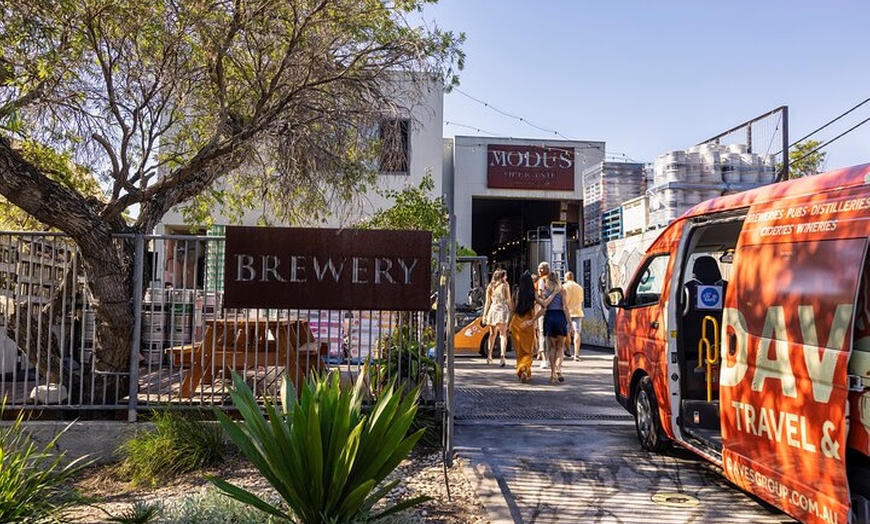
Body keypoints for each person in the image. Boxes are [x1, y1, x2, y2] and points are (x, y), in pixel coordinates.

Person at [508, 271, 548, 383]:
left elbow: (512, 310)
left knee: (519, 350)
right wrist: (533, 320)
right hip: (528, 323)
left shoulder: (516, 293)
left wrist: (507, 325)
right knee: (528, 350)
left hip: (516, 323)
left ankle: (521, 370)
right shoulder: (533, 293)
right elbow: (544, 306)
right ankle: (525, 369)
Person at [539, 270, 572, 384]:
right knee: (560, 347)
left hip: (549, 317)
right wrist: (570, 322)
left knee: (552, 348)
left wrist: (551, 294)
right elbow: (565, 307)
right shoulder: (562, 291)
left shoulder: (545, 291)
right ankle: (558, 368)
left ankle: (552, 374)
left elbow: (544, 305)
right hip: (560, 317)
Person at [482, 269, 512, 366]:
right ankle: (502, 356)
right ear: (502, 276)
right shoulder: (505, 285)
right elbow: (508, 299)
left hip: (493, 310)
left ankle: (489, 356)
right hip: (502, 310)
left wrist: (484, 315)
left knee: (492, 334)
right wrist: (512, 309)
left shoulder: (490, 286)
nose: (506, 277)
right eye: (505, 276)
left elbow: (487, 302)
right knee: (503, 335)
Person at [562, 271, 584, 361]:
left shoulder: (564, 287)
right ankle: (577, 353)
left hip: (567, 312)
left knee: (566, 332)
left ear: (565, 278)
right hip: (578, 312)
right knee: (577, 332)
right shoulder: (579, 287)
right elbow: (581, 299)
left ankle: (568, 350)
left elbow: (563, 301)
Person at [535, 262, 550, 369]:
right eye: (539, 268)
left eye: (542, 268)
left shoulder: (542, 281)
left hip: (544, 309)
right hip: (554, 309)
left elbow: (540, 294)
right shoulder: (555, 280)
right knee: (551, 334)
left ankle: (544, 359)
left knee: (542, 333)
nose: (540, 270)